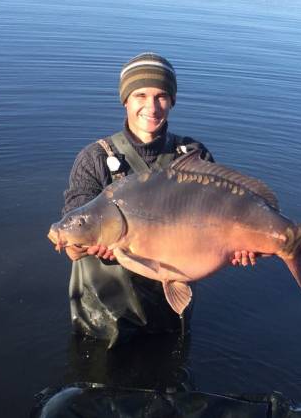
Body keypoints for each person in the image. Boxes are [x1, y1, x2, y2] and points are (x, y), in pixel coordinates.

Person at [61, 52, 258, 347]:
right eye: (140, 95)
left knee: (170, 382)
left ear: (173, 101)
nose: (151, 107)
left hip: (172, 307)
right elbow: (74, 237)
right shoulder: (95, 158)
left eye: (161, 96)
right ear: (125, 100)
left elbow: (217, 222)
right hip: (102, 312)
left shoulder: (194, 156)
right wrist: (78, 247)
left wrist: (237, 246)